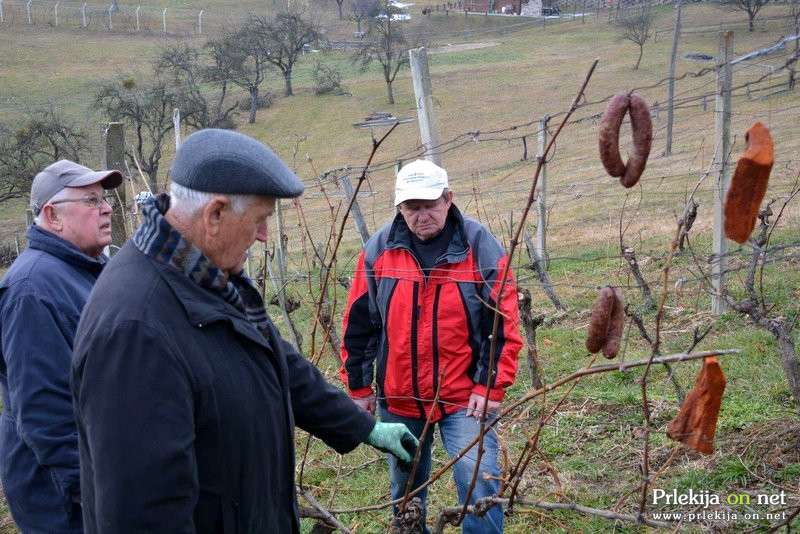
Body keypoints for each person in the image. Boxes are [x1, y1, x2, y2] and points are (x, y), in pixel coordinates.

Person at [70, 128, 418, 533]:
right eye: (259, 219)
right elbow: (144, 514)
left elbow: (272, 356)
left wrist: (361, 425)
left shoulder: (205, 272)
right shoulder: (135, 330)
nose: (264, 235)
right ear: (215, 214)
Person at [340, 159, 523, 533]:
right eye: (412, 208)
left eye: (430, 205)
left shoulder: (479, 247)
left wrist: (490, 385)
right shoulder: (379, 250)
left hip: (463, 396)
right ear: (399, 209)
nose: (421, 215)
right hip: (400, 396)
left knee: (478, 483)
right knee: (405, 490)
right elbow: (359, 324)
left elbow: (501, 322)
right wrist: (359, 389)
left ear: (448, 199)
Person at [0, 159, 123, 533]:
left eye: (105, 199)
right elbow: (46, 416)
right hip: (64, 498)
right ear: (53, 216)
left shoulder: (87, 268)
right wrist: (98, 497)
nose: (106, 209)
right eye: (90, 200)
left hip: (99, 473)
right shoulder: (33, 290)